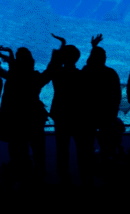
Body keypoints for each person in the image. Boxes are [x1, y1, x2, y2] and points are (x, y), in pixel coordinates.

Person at [0, 47, 49, 188]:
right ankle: (40, 175)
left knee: (18, 147)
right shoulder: (35, 77)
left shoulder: (13, 77)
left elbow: (4, 71)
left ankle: (19, 176)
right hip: (35, 116)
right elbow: (49, 72)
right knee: (38, 147)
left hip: (17, 119)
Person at [41, 34, 90, 186]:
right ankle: (85, 177)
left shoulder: (58, 73)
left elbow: (51, 69)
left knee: (62, 148)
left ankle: (64, 178)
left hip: (61, 114)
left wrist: (61, 48)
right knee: (83, 148)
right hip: (78, 115)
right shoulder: (82, 74)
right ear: (77, 58)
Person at [82, 38, 122, 170]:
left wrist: (93, 47)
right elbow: (117, 95)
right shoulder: (110, 73)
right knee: (106, 143)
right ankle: (106, 165)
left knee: (88, 143)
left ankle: (89, 167)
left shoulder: (86, 72)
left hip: (89, 113)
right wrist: (114, 112)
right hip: (106, 114)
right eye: (103, 56)